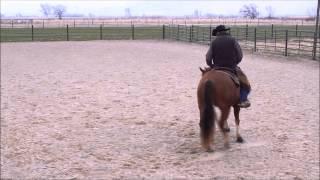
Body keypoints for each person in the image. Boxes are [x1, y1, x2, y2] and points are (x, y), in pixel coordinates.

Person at [206, 25, 251, 108]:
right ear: (225, 32)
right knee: (245, 83)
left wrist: (211, 65)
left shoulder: (214, 42)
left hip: (217, 67)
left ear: (218, 33)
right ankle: (243, 99)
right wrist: (235, 63)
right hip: (231, 67)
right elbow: (240, 55)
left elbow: (208, 58)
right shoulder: (233, 40)